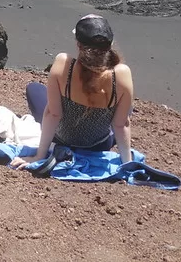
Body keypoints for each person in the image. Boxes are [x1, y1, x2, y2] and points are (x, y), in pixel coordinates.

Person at [11, 14, 134, 169]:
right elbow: (121, 124)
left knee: (34, 88)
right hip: (98, 146)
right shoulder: (121, 74)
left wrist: (39, 156)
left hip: (61, 140)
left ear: (78, 44)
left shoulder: (64, 64)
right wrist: (128, 164)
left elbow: (53, 114)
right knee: (126, 107)